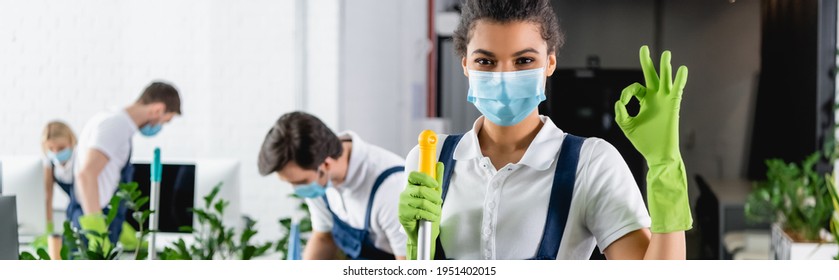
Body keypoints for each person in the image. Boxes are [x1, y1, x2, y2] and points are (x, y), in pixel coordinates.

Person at [398, 0, 692, 260]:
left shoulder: (591, 164)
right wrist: (414, 254)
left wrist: (664, 164)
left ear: (549, 63)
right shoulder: (428, 159)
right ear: (465, 65)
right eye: (485, 61)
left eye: (524, 60)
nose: (503, 77)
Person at [258, 111, 407, 260]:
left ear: (326, 164)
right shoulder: (318, 176)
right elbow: (324, 238)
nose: (298, 190)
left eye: (301, 183)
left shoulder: (392, 188)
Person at [72, 81, 181, 252]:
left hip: (96, 216)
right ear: (158, 109)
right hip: (94, 222)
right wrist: (96, 229)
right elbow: (86, 175)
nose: (159, 127)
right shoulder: (117, 125)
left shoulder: (109, 118)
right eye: (164, 122)